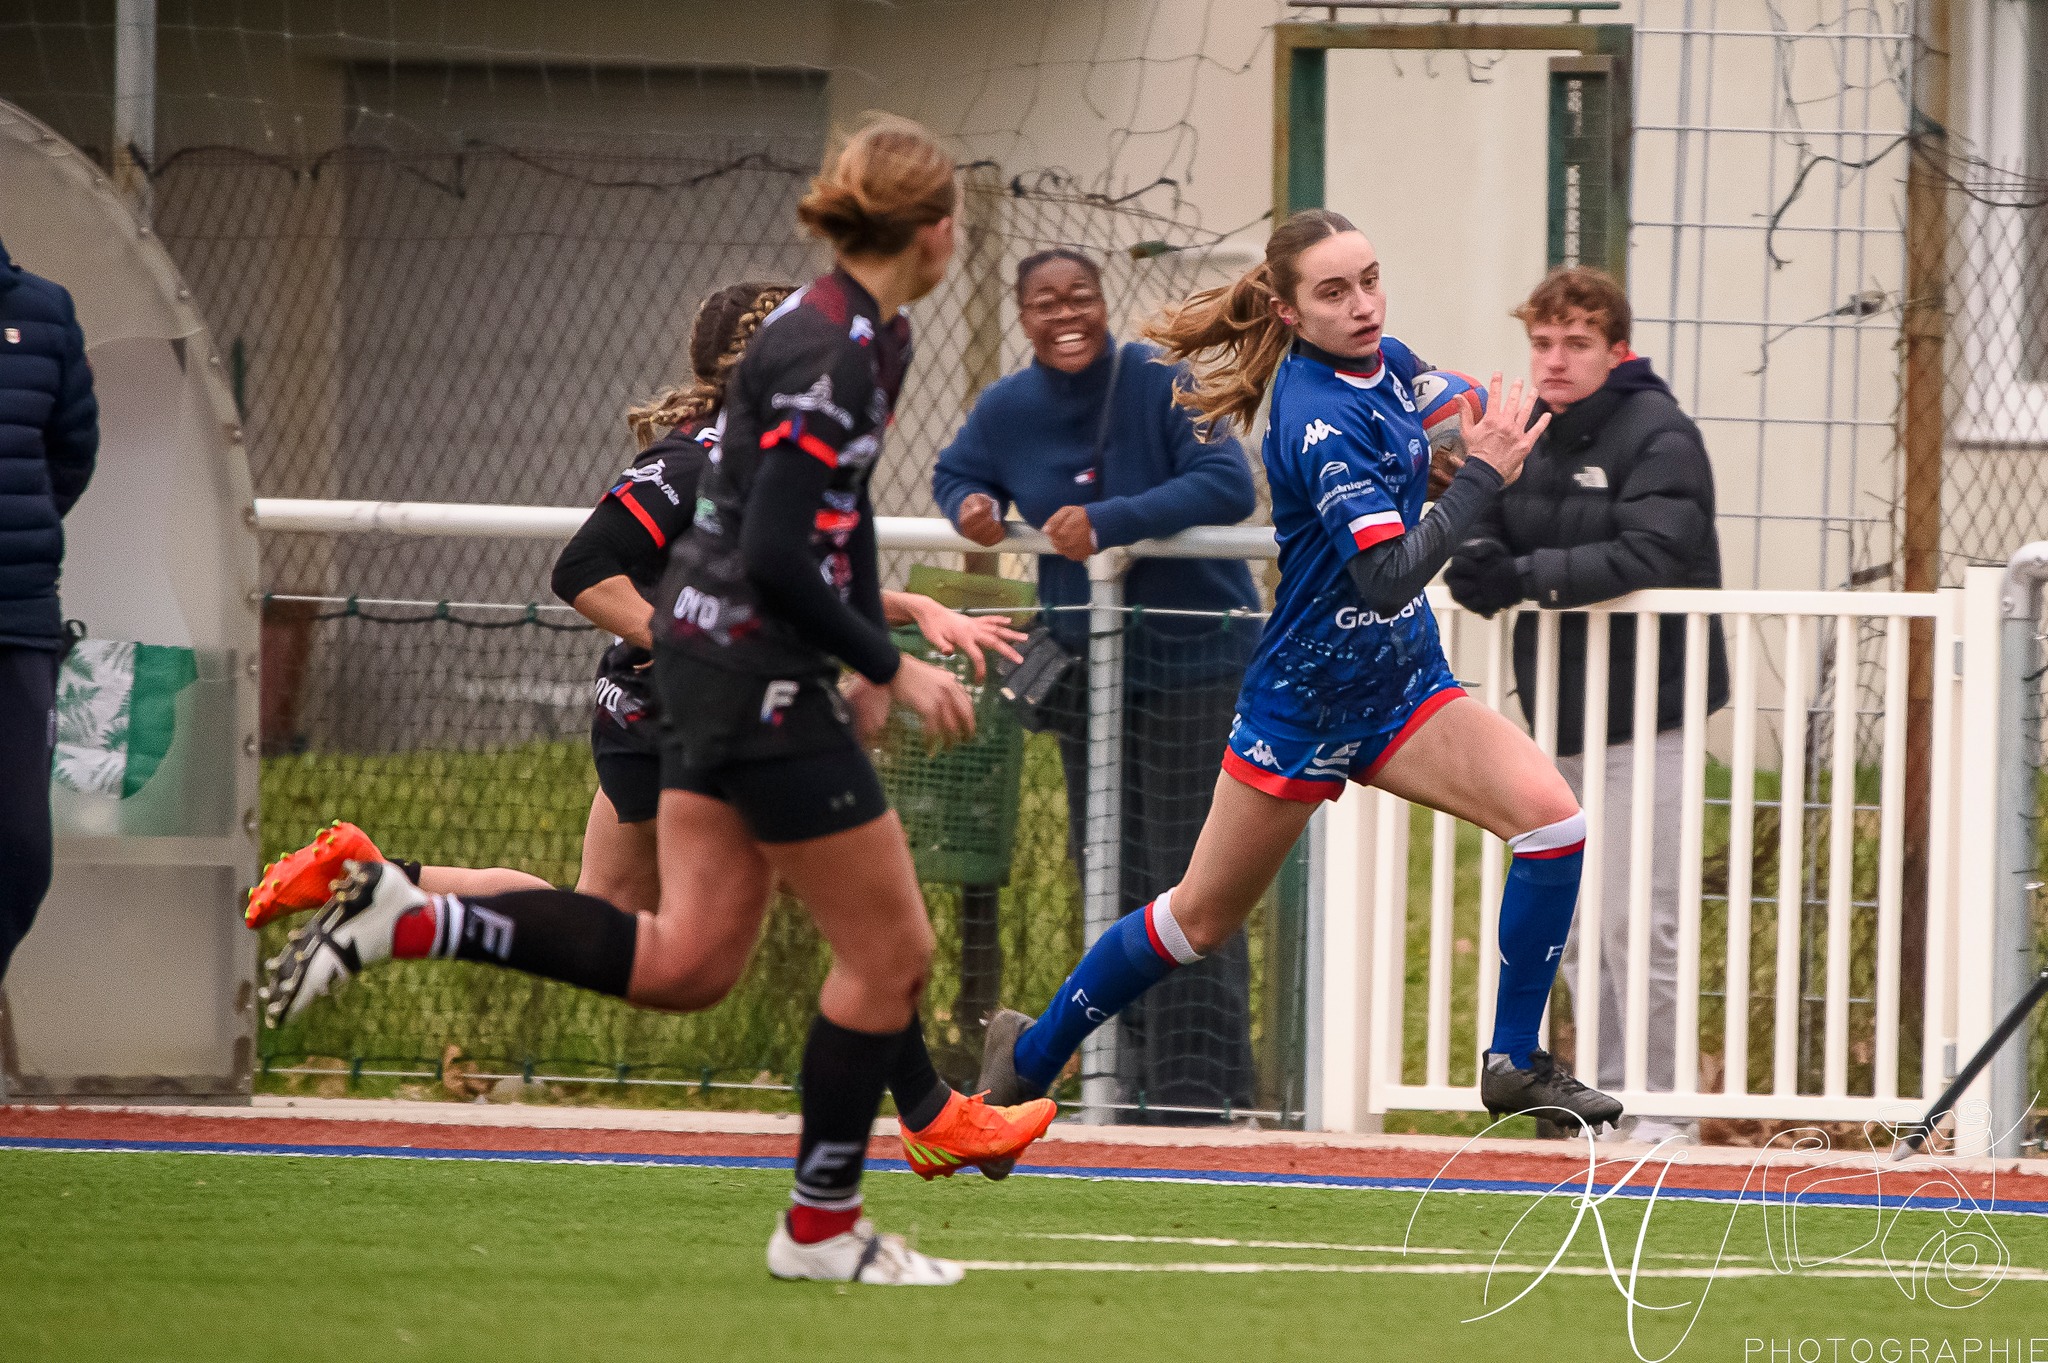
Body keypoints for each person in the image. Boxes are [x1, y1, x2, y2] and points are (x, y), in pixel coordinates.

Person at [262, 117, 1056, 1285]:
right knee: (889, 949)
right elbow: (783, 554)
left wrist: (878, 630)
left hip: (707, 665)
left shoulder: (844, 333)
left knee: (687, 961)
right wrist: (883, 663)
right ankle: (823, 1227)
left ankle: (410, 911)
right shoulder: (838, 351)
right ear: (937, 233)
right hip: (754, 674)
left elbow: (830, 517)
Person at [976, 209, 1626, 1164]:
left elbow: (1447, 403)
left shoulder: (1385, 356)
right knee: (1197, 918)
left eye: (1369, 278)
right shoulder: (1316, 417)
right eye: (1334, 291)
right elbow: (1387, 575)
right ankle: (1024, 1061)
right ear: (1286, 311)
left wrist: (1468, 431)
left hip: (1402, 686)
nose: (1363, 304)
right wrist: (1478, 472)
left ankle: (1514, 1059)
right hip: (1306, 705)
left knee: (1553, 820)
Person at [245, 283, 1020, 928]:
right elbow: (583, 565)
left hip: (665, 711)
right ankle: (933, 1104)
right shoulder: (694, 458)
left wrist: (912, 607)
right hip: (679, 716)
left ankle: (375, 877)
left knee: (600, 911)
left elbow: (773, 582)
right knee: (853, 906)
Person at [931, 246, 1262, 1121]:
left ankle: (1207, 1088)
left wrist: (1108, 523)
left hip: (1194, 665)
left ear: (1104, 303)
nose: (1064, 313)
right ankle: (1134, 1078)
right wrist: (970, 506)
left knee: (1190, 880)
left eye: (1079, 295)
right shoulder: (1008, 407)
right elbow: (956, 470)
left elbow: (1229, 483)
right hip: (1090, 680)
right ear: (1022, 314)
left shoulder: (1155, 378)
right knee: (1110, 875)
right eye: (1044, 301)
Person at [1445, 265, 1727, 1144]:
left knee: (1643, 924)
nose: (1555, 361)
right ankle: (1600, 1106)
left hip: (1655, 716)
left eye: (1575, 344)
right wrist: (1482, 553)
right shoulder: (1532, 431)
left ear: (1618, 349)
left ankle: (1665, 1113)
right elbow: (1491, 524)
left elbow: (1654, 547)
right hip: (1559, 719)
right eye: (1542, 343)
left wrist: (1524, 575)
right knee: (1574, 935)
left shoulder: (1661, 433)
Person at [0, 236, 98, 986]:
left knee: (21, 847)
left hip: (19, 621)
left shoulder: (44, 312)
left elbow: (70, 454)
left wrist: (21, 532)